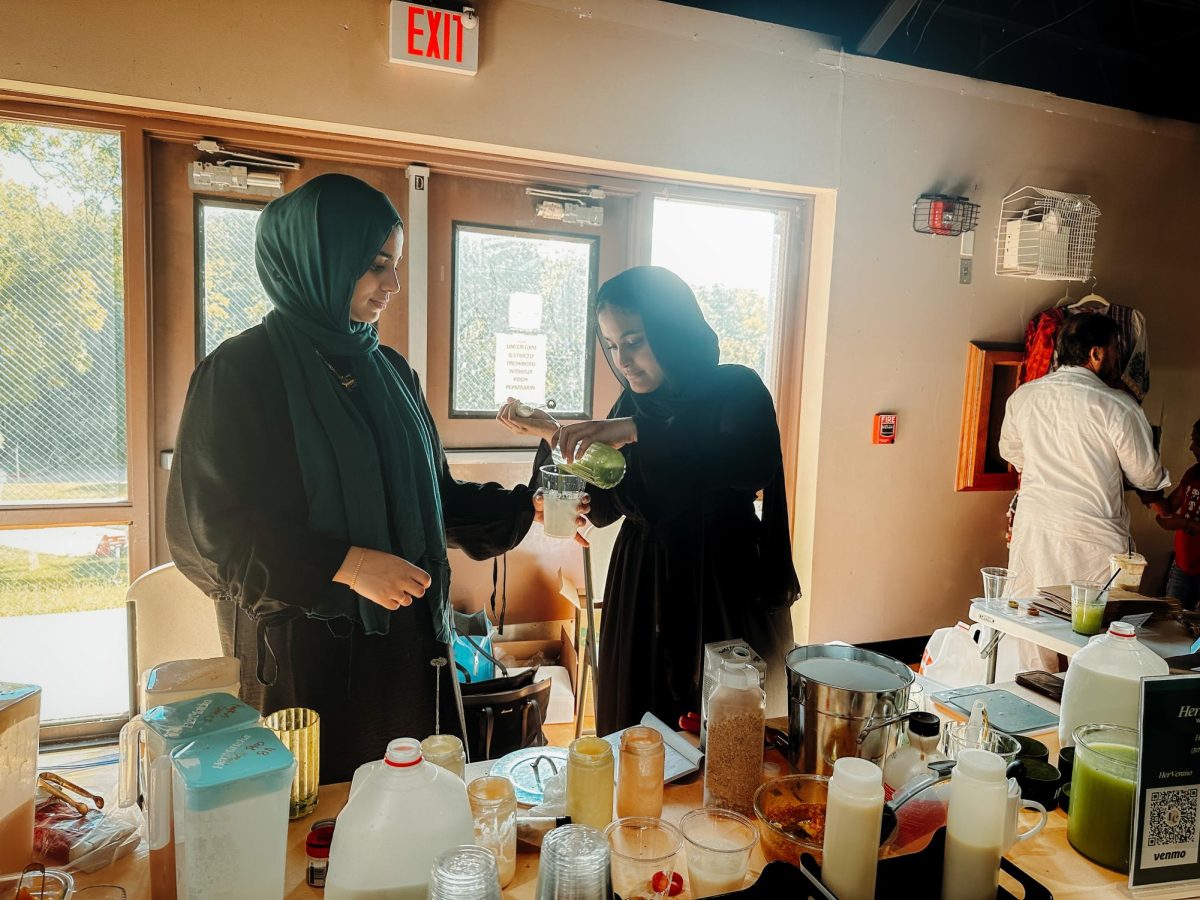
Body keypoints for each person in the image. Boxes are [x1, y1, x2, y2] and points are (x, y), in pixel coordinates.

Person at [167, 174, 586, 782]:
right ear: (319, 261)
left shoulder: (387, 371)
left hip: (406, 648)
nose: (392, 283)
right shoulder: (241, 373)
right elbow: (211, 537)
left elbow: (435, 500)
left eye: (395, 264)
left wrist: (530, 506)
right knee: (322, 830)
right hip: (304, 654)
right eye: (374, 265)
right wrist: (347, 562)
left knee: (413, 808)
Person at [498, 266, 799, 733]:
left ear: (673, 331)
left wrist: (638, 432)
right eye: (613, 346)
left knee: (725, 730)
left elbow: (749, 461)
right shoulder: (631, 404)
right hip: (643, 585)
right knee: (639, 727)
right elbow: (610, 497)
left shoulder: (735, 388)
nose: (624, 360)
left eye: (635, 341)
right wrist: (554, 441)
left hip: (721, 583)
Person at [999, 313, 1169, 670]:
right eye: (1113, 349)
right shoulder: (1118, 406)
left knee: (1033, 626)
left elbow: (1012, 454)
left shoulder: (1024, 398)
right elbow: (1147, 475)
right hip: (1092, 540)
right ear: (1096, 353)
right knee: (1092, 640)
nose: (1116, 358)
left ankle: (1035, 709)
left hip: (1037, 533)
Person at [1157, 419, 1200, 610]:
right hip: (1183, 565)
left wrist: (1183, 524)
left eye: (1198, 442)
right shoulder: (1194, 473)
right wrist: (1151, 495)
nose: (1191, 447)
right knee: (1171, 619)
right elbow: (1170, 505)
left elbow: (1181, 521)